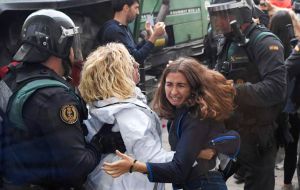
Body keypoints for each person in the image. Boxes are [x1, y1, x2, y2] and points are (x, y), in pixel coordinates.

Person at [0, 9, 125, 189]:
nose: (74, 50)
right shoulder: (55, 98)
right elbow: (77, 167)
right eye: (70, 43)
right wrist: (99, 144)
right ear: (61, 47)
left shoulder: (11, 78)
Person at [102, 57, 237, 190]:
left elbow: (178, 170)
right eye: (169, 84)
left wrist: (134, 166)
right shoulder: (182, 109)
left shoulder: (196, 118)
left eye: (181, 85)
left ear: (193, 87)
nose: (173, 92)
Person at [207, 0, 287, 189]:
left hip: (259, 135)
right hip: (235, 132)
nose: (217, 21)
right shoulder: (228, 40)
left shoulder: (264, 41)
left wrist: (232, 90)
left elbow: (276, 89)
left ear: (239, 13)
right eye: (215, 15)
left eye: (222, 15)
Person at [269, 10, 299, 190]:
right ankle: (287, 183)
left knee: (286, 147)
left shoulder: (268, 46)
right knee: (292, 148)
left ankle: (284, 183)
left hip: (279, 107)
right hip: (293, 106)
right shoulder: (293, 48)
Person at [97, 0, 166, 65]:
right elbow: (135, 59)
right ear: (126, 8)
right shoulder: (114, 31)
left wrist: (147, 38)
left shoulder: (122, 27)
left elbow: (134, 50)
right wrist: (155, 36)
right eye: (136, 8)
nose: (138, 12)